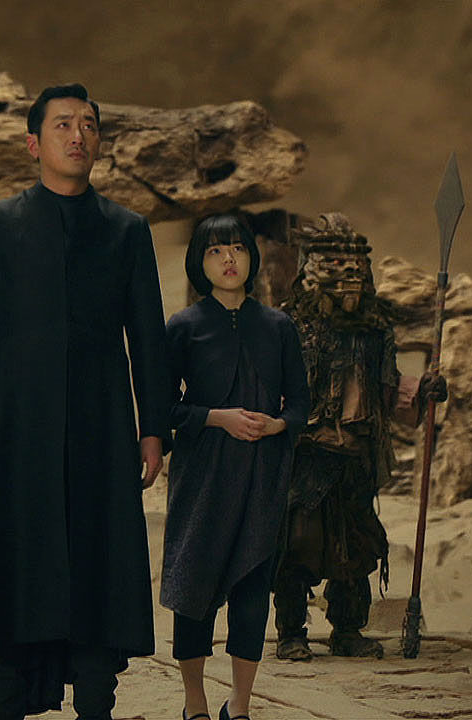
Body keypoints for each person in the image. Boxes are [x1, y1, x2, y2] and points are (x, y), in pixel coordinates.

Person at [0, 83, 169, 720]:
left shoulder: (126, 230)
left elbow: (147, 337)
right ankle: (6, 699)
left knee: (99, 559)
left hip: (103, 424)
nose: (78, 136)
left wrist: (153, 428)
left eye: (89, 125)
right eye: (64, 125)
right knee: (11, 558)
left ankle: (96, 700)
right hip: (14, 424)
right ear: (33, 143)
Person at [272, 212, 447, 662]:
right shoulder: (288, 326)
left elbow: (387, 390)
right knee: (296, 544)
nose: (350, 272)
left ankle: (348, 630)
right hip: (306, 457)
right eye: (337, 263)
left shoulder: (374, 331)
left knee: (356, 546)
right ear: (313, 270)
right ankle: (291, 632)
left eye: (356, 264)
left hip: (356, 457)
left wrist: (421, 391)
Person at [161, 215, 309, 720]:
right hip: (202, 476)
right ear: (198, 263)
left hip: (262, 474)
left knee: (252, 591)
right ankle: (195, 703)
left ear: (252, 257)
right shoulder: (183, 327)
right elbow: (163, 408)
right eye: (215, 251)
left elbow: (301, 403)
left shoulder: (278, 327)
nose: (228, 259)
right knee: (193, 587)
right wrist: (217, 417)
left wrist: (276, 425)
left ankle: (239, 705)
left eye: (238, 249)